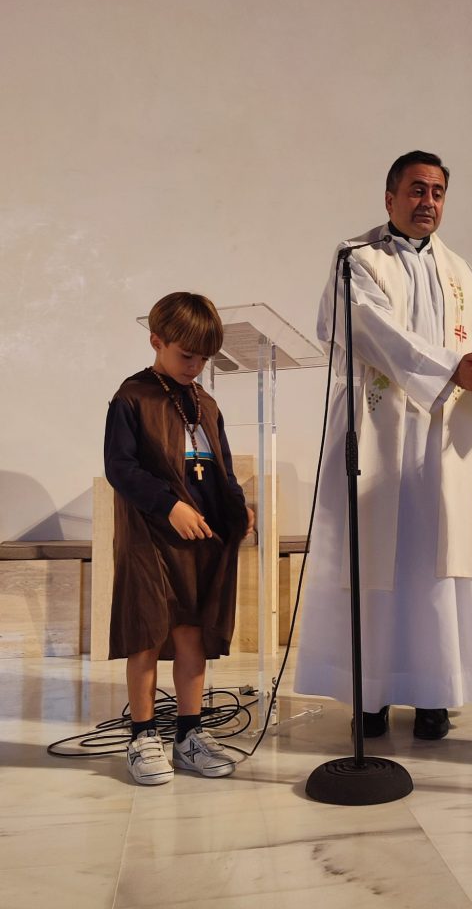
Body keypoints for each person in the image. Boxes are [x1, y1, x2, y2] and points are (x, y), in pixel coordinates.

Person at [294, 151, 472, 740]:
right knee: (376, 568)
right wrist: (450, 372)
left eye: (436, 192)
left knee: (436, 571)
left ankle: (434, 693)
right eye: (416, 190)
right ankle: (373, 696)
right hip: (379, 436)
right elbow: (370, 329)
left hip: (442, 445)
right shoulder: (356, 259)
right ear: (389, 198)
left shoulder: (460, 269)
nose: (427, 201)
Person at [105, 292, 254, 785]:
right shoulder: (133, 397)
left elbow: (222, 470)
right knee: (146, 633)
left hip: (199, 537)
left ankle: (189, 735)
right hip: (151, 535)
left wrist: (238, 510)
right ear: (156, 341)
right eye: (185, 355)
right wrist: (169, 505)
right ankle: (143, 736)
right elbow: (120, 468)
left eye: (203, 358)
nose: (195, 366)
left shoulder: (205, 403)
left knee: (192, 633)